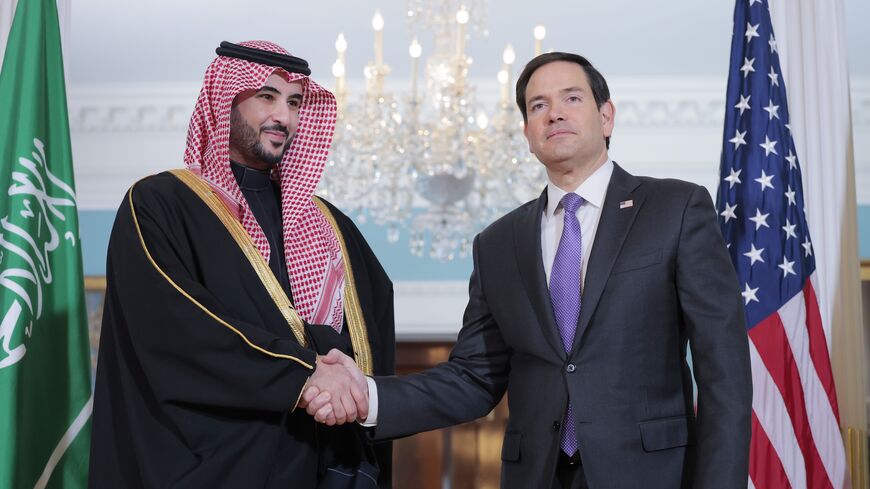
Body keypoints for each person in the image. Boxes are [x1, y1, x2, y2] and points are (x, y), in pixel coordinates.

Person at [304, 52, 752, 489]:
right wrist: (368, 394)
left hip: (653, 474)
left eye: (572, 99)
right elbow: (473, 378)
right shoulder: (497, 243)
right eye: (539, 106)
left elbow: (723, 375)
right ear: (527, 132)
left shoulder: (675, 208)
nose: (554, 114)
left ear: (606, 116)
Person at [89, 40, 393, 488]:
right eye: (266, 97)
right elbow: (177, 326)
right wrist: (303, 376)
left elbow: (369, 329)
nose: (283, 117)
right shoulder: (162, 204)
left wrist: (339, 386)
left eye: (293, 103)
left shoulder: (330, 224)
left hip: (324, 468)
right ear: (224, 100)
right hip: (218, 469)